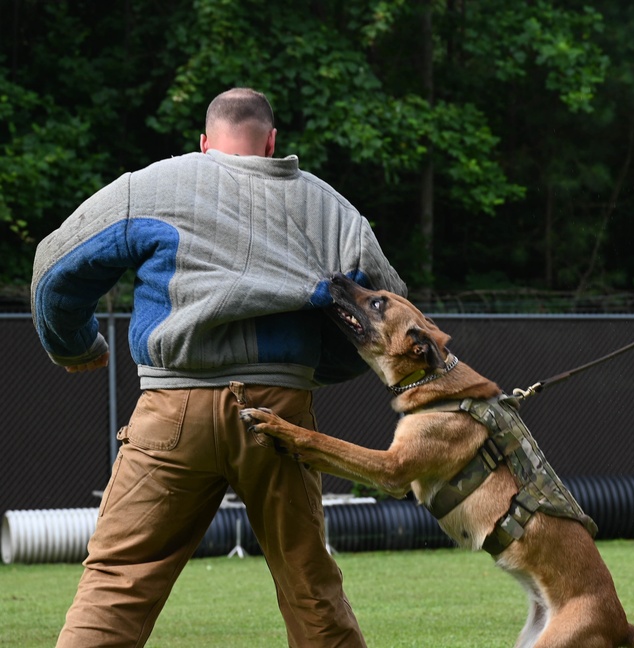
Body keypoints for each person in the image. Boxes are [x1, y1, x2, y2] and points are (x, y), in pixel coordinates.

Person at [31, 87, 406, 647]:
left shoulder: (152, 186)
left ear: (204, 143)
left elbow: (55, 269)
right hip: (281, 418)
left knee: (118, 582)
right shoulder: (331, 209)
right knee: (310, 585)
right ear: (272, 142)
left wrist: (76, 345)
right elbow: (389, 314)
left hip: (172, 409)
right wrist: (310, 370)